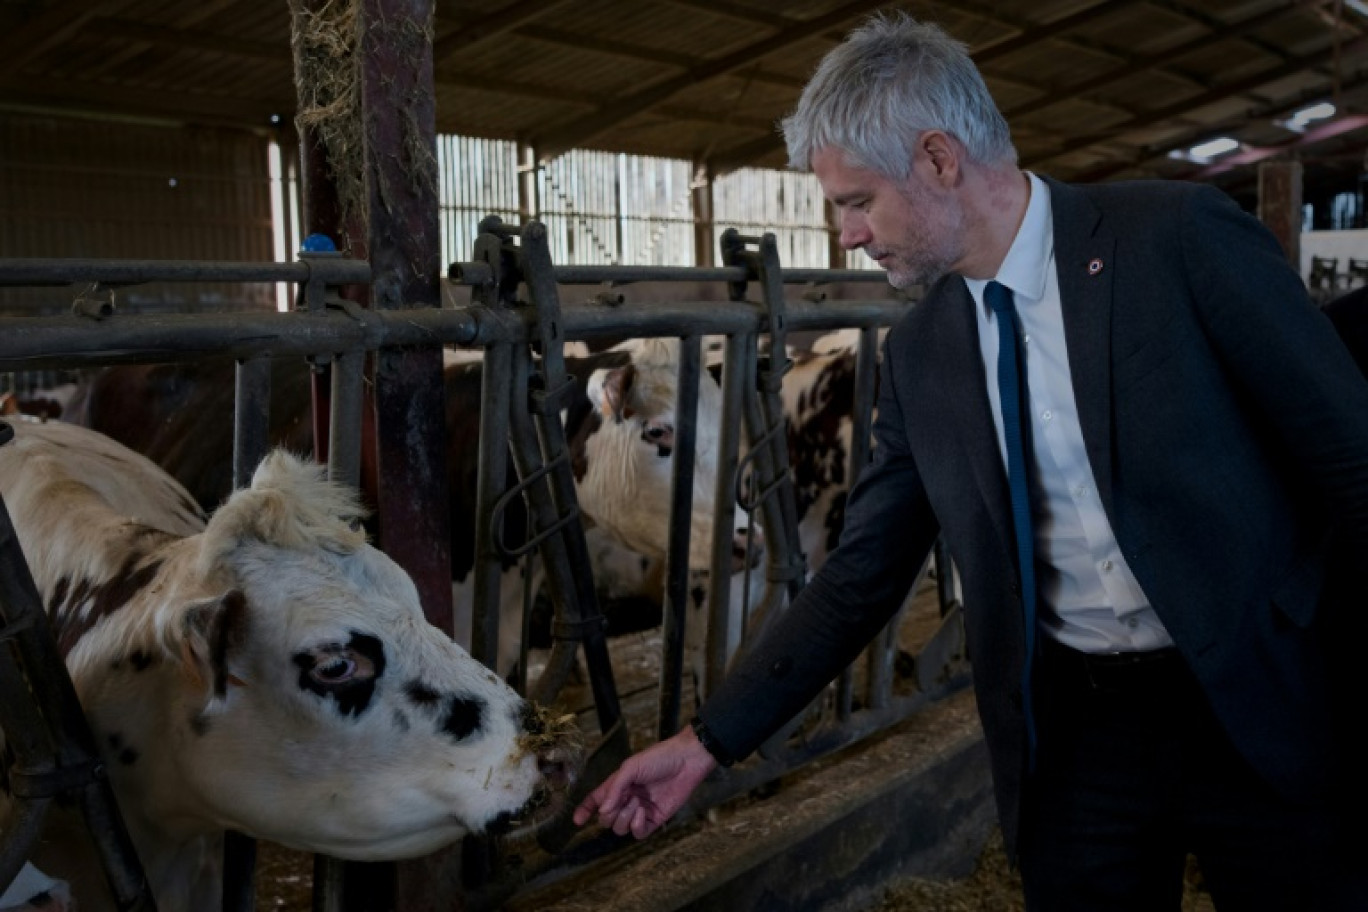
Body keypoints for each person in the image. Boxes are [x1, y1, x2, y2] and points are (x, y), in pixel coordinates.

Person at [573, 12, 1368, 911]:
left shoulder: (1178, 239)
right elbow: (862, 575)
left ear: (941, 159)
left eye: (857, 199)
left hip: (1259, 702)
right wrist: (707, 740)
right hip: (1078, 737)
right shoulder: (923, 356)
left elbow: (1351, 456)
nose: (848, 235)